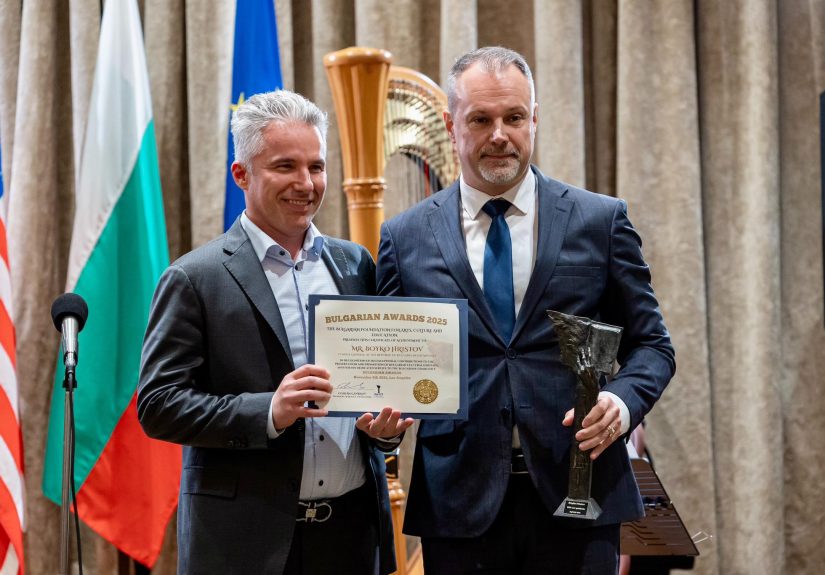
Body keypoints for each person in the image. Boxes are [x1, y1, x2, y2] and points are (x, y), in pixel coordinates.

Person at [376, 47, 675, 574]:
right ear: (450, 124)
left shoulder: (600, 221)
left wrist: (623, 403)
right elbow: (390, 371)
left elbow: (652, 346)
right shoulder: (404, 237)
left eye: (514, 117)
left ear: (534, 118)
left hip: (579, 493)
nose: (500, 135)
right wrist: (385, 425)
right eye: (480, 120)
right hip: (457, 505)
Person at [138, 89, 413, 575]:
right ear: (241, 174)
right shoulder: (193, 278)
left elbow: (373, 386)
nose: (305, 183)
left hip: (351, 537)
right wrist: (268, 411)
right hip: (244, 544)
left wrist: (385, 433)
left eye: (316, 166)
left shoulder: (356, 264)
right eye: (285, 166)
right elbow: (158, 405)